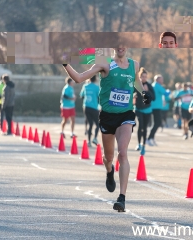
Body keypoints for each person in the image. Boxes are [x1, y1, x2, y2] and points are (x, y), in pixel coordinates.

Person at [62, 47, 152, 212]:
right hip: (107, 116)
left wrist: (143, 93)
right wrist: (65, 64)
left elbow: (135, 80)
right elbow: (79, 78)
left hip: (125, 114)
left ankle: (122, 198)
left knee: (123, 153)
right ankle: (109, 171)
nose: (121, 47)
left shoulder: (134, 64)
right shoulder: (105, 63)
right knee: (108, 157)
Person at [133, 67, 155, 155]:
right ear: (140, 77)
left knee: (145, 128)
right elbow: (131, 93)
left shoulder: (149, 86)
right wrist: (134, 96)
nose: (144, 78)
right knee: (140, 125)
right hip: (138, 109)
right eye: (142, 77)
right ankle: (138, 144)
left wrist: (147, 91)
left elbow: (154, 98)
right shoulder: (137, 85)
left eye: (145, 77)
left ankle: (144, 145)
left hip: (147, 109)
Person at [147, 74, 169, 146]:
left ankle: (152, 138)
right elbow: (165, 93)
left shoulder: (153, 85)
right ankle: (150, 138)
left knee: (156, 123)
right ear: (157, 80)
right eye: (161, 79)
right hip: (156, 107)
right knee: (157, 123)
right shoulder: (158, 86)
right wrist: (169, 91)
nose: (162, 81)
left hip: (153, 106)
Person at [79, 76, 100, 147]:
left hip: (86, 107)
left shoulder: (85, 86)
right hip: (94, 107)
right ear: (96, 79)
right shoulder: (97, 87)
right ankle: (95, 138)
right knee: (98, 124)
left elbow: (81, 96)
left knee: (90, 124)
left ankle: (89, 141)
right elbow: (99, 97)